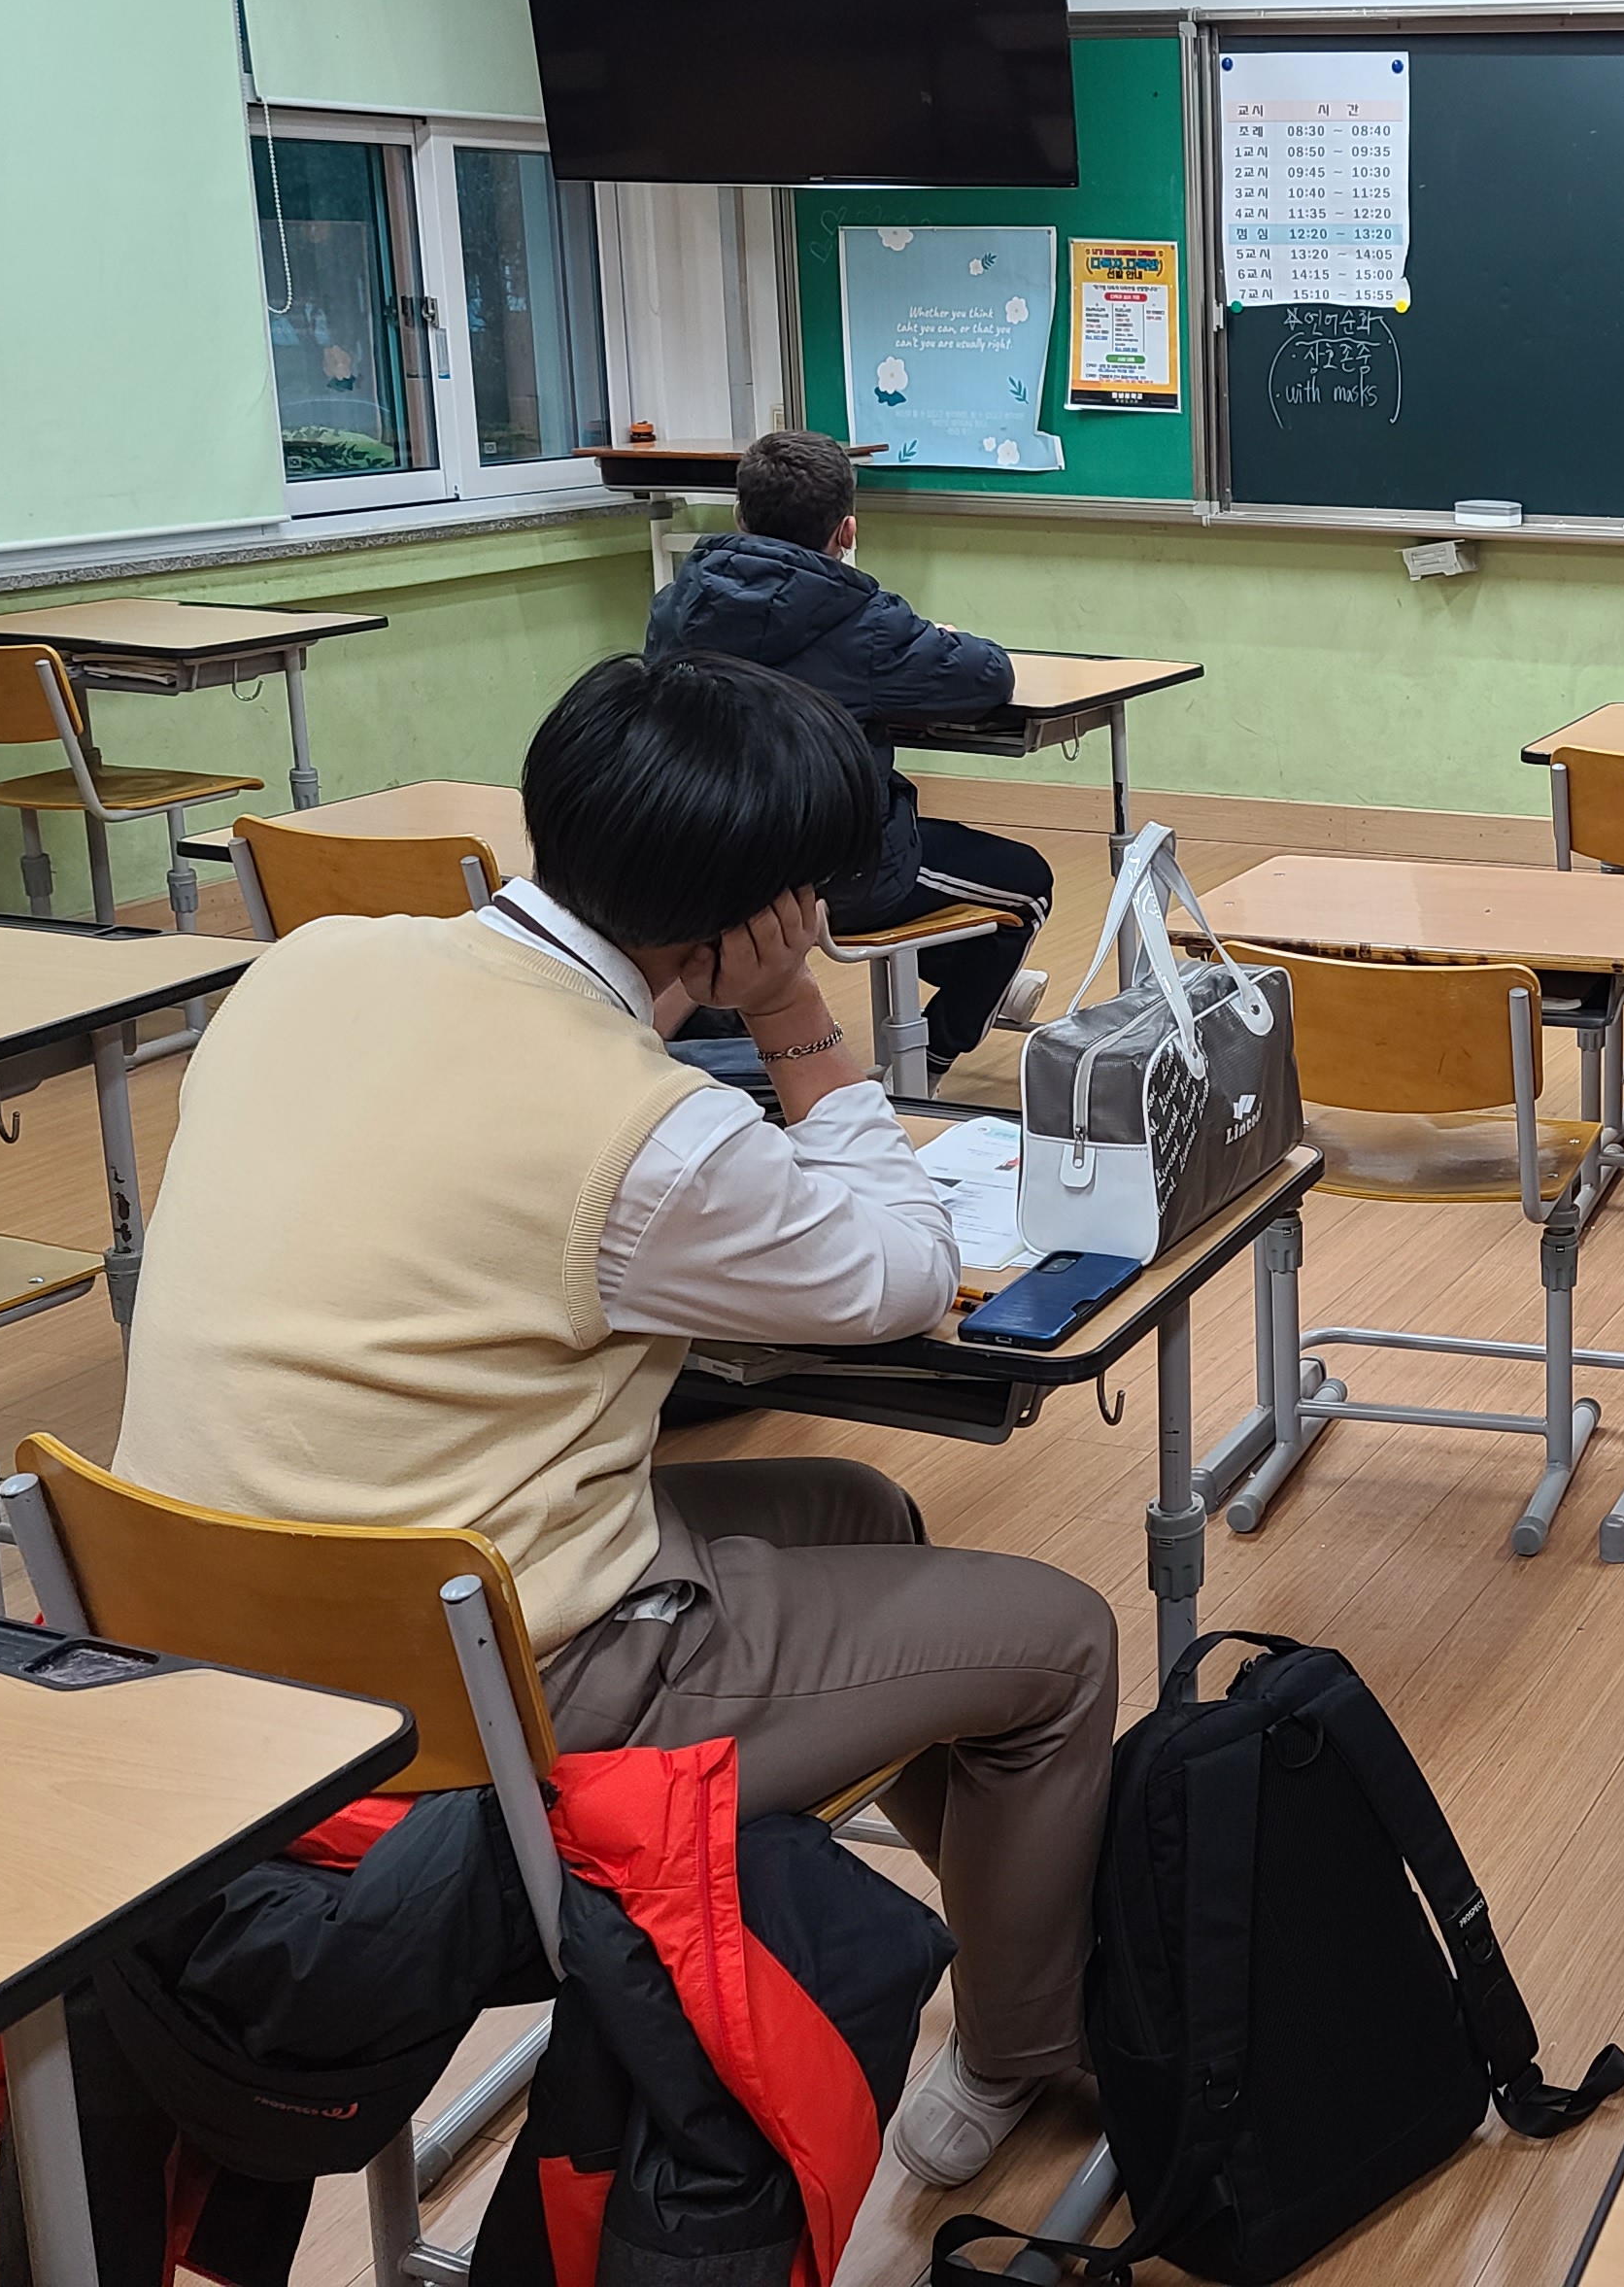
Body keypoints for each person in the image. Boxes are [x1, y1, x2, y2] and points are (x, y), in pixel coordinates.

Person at [112, 651, 1111, 2187]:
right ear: (759, 913)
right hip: (473, 1693)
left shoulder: (312, 964)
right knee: (1060, 1640)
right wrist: (793, 1011)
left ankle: (1002, 1915)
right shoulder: (648, 1134)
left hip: (202, 1635)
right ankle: (1022, 2046)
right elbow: (906, 1273)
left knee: (858, 1514)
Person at [647, 428, 1053, 1072]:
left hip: (708, 864)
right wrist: (932, 637)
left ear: (740, 517)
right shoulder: (864, 622)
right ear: (847, 530)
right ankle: (930, 1062)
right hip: (839, 874)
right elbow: (987, 676)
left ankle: (720, 1048)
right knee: (1027, 887)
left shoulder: (676, 606)